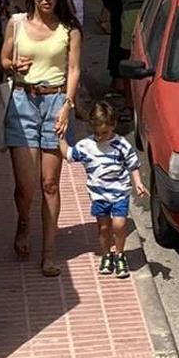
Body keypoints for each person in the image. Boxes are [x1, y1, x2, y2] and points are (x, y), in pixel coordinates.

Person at [0, 0, 81, 277]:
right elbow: (4, 60)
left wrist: (67, 106)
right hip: (22, 103)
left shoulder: (69, 29)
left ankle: (49, 252)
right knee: (26, 186)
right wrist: (13, 66)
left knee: (49, 183)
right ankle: (23, 222)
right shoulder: (16, 24)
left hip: (55, 103)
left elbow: (73, 71)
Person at [70, 97, 146, 279]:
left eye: (103, 132)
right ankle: (106, 254)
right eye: (96, 133)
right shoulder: (86, 145)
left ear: (113, 125)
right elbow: (69, 155)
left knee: (119, 225)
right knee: (103, 228)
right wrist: (58, 137)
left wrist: (138, 183)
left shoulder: (121, 145)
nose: (100, 137)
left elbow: (133, 165)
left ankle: (119, 254)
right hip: (98, 195)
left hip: (119, 192)